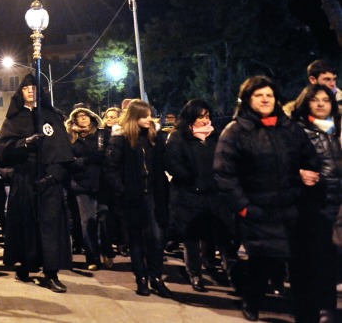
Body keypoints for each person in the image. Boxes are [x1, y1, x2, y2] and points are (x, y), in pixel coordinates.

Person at [214, 76, 319, 322]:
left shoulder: (290, 129)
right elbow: (224, 174)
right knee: (263, 264)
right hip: (258, 212)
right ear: (248, 100)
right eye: (258, 95)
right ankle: (252, 299)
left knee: (299, 266)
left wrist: (306, 180)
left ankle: (305, 314)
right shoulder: (236, 131)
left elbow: (310, 159)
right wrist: (244, 209)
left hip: (292, 211)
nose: (265, 99)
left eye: (269, 95)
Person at [0, 74, 73, 293]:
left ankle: (51, 272)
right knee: (26, 225)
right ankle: (27, 263)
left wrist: (53, 176)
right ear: (20, 92)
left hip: (49, 181)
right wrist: (24, 143)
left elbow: (64, 153)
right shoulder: (14, 119)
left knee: (50, 227)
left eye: (34, 87)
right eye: (26, 88)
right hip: (25, 179)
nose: (30, 90)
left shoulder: (52, 116)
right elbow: (5, 150)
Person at [164, 99, 236, 292]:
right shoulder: (178, 137)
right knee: (191, 238)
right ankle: (194, 274)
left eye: (207, 116)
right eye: (200, 116)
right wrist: (190, 177)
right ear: (190, 118)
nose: (205, 120)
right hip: (189, 195)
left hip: (214, 195)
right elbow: (171, 163)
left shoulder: (216, 136)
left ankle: (230, 273)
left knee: (222, 235)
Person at [105, 99, 171, 298]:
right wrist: (122, 191)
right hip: (132, 196)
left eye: (150, 115)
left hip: (154, 193)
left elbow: (164, 161)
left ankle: (156, 277)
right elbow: (110, 168)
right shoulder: (121, 137)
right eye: (144, 116)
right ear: (134, 118)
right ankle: (141, 278)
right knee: (136, 239)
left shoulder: (155, 136)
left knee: (158, 238)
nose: (149, 119)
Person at [289, 84, 342, 323]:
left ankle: (325, 308)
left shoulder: (333, 129)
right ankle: (312, 311)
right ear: (305, 103)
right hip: (310, 206)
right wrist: (297, 173)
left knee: (330, 260)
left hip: (335, 205)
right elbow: (280, 164)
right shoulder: (297, 131)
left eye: (326, 100)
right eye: (315, 99)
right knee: (310, 261)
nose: (321, 104)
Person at [66, 107, 111, 271]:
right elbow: (69, 161)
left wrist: (83, 160)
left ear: (92, 118)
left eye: (85, 115)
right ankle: (92, 257)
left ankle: (107, 251)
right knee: (87, 222)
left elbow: (108, 156)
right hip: (81, 185)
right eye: (79, 116)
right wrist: (87, 160)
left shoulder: (102, 135)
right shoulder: (71, 138)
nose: (82, 118)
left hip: (103, 183)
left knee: (104, 219)